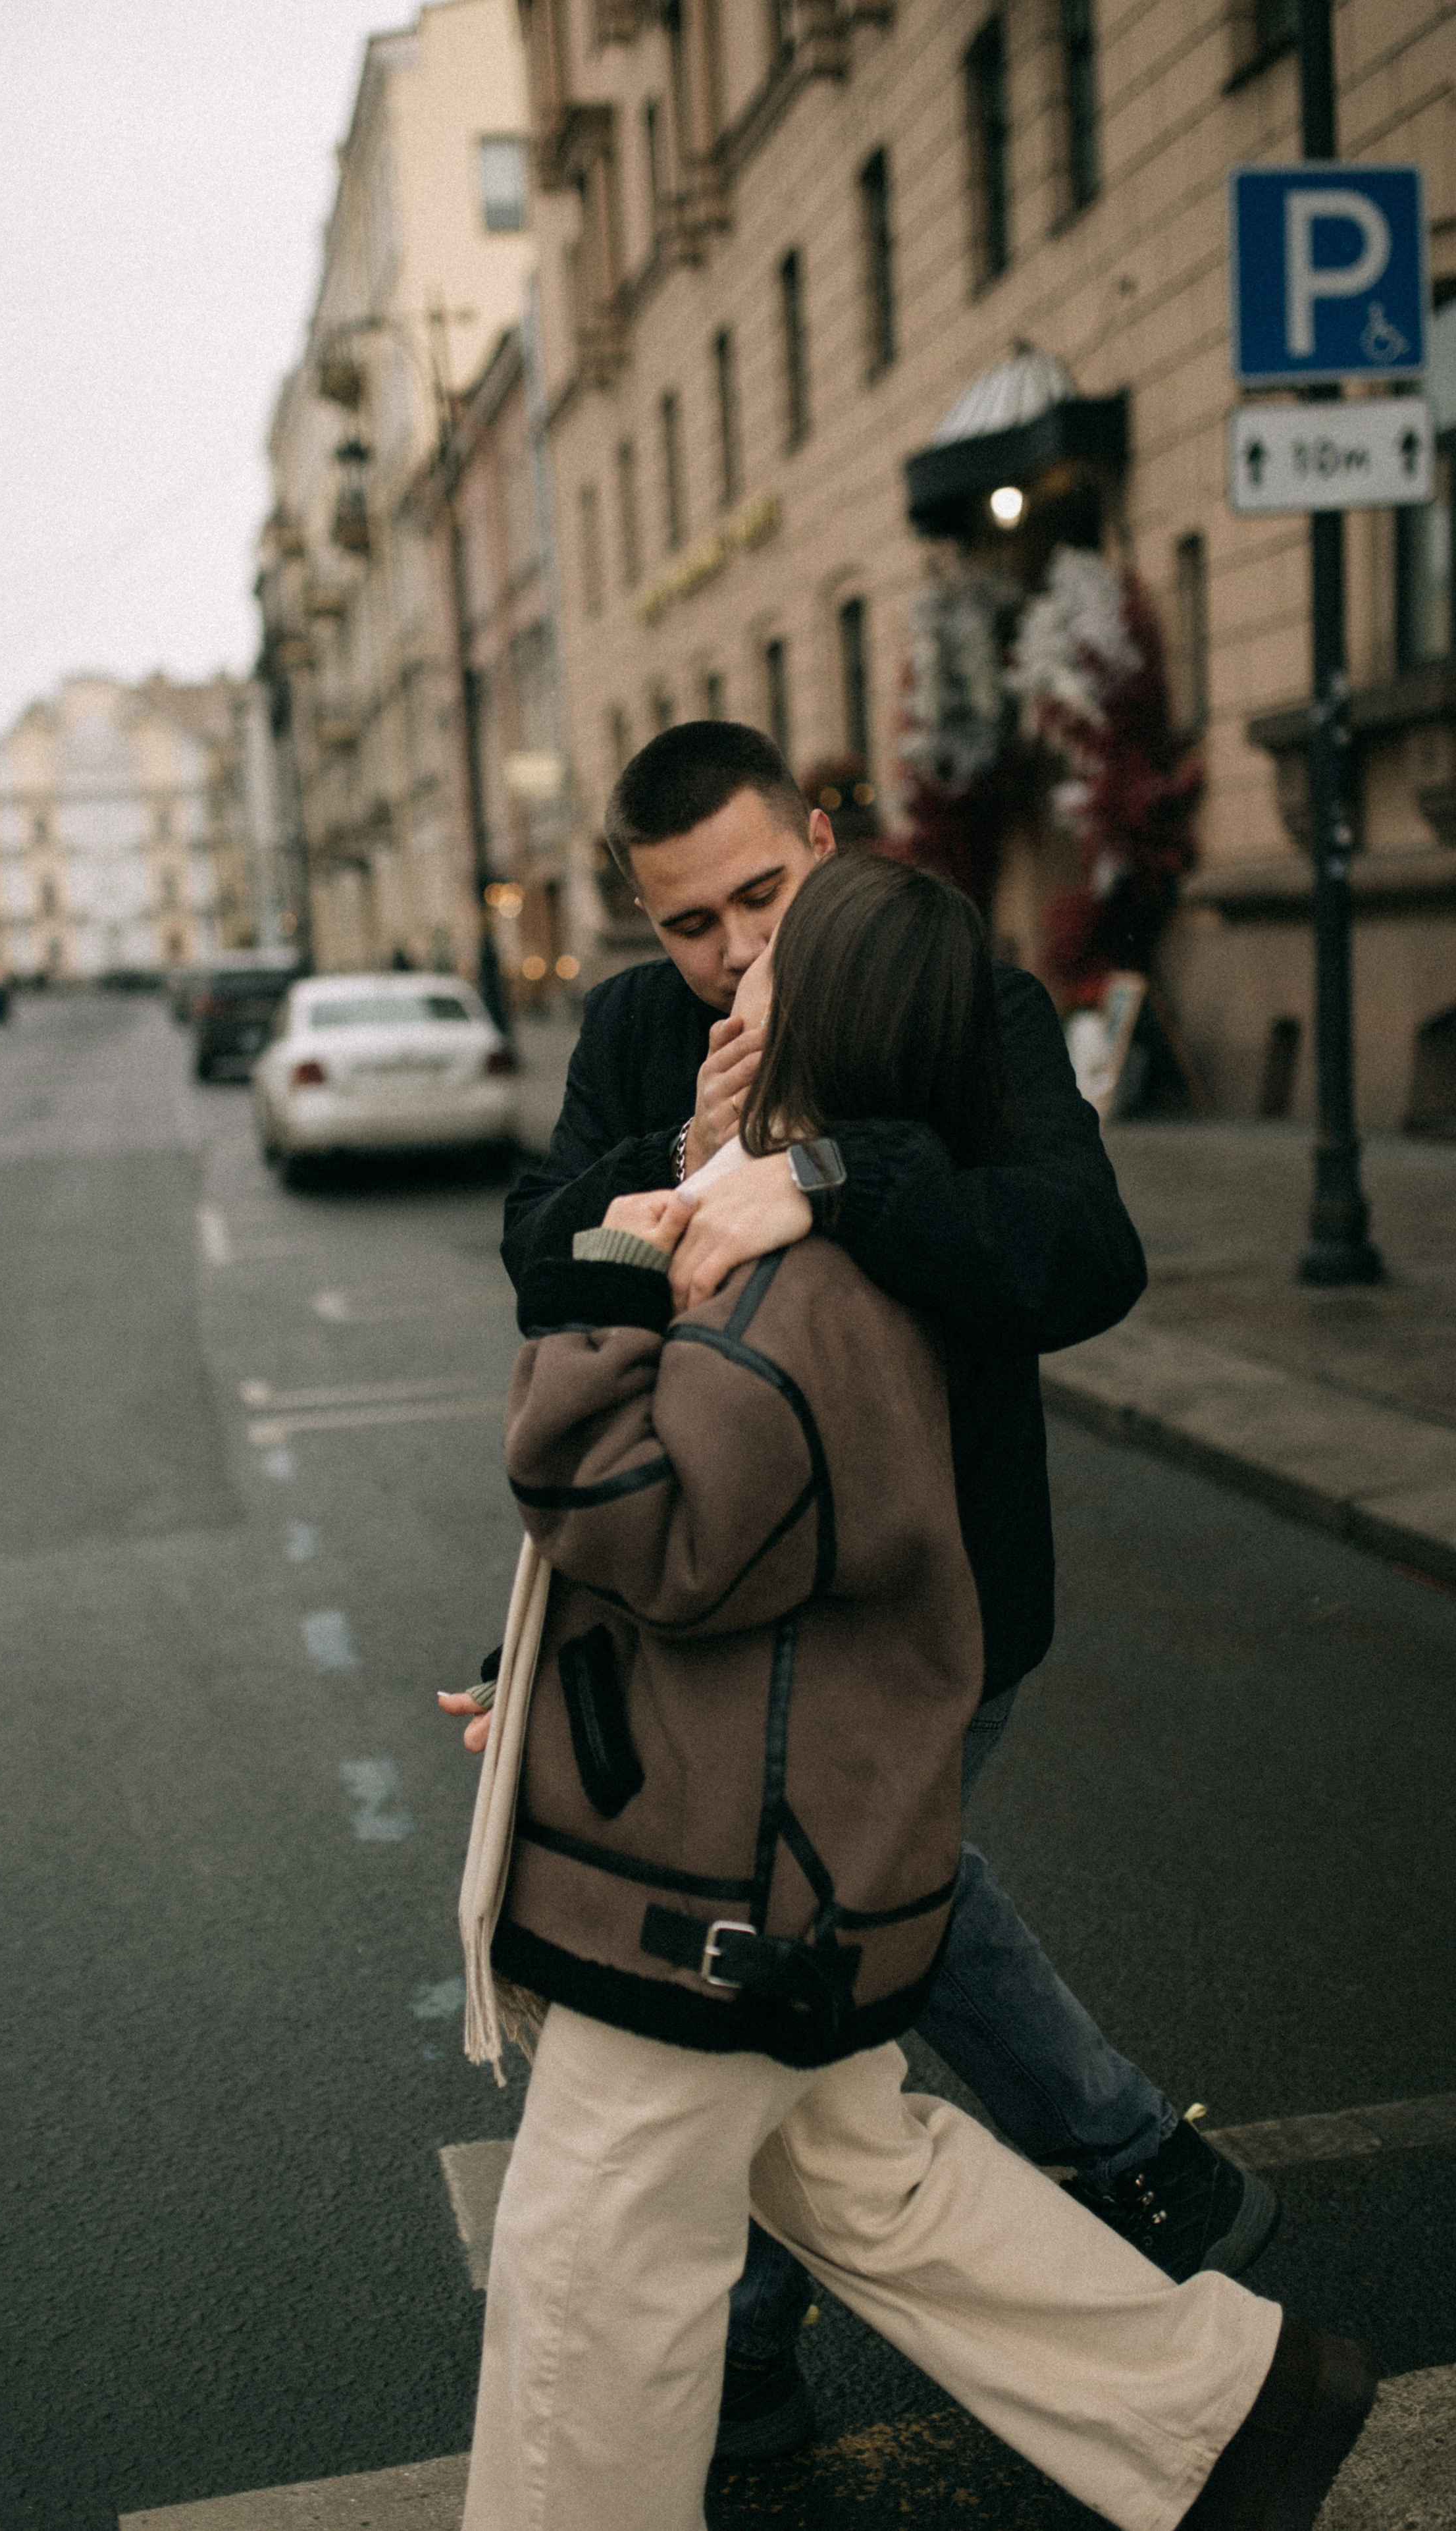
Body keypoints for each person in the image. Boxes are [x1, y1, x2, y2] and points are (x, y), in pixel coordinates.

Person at [444, 855, 1373, 2531]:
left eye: (767, 955)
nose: (730, 976)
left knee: (587, 2260)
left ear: (817, 1017)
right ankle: (1221, 2403)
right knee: (850, 2173)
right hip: (763, 1838)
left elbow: (650, 1524)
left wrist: (608, 1280)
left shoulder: (800, 1285)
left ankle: (1214, 2400)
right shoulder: (792, 1233)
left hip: (715, 1879)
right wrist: (539, 1669)